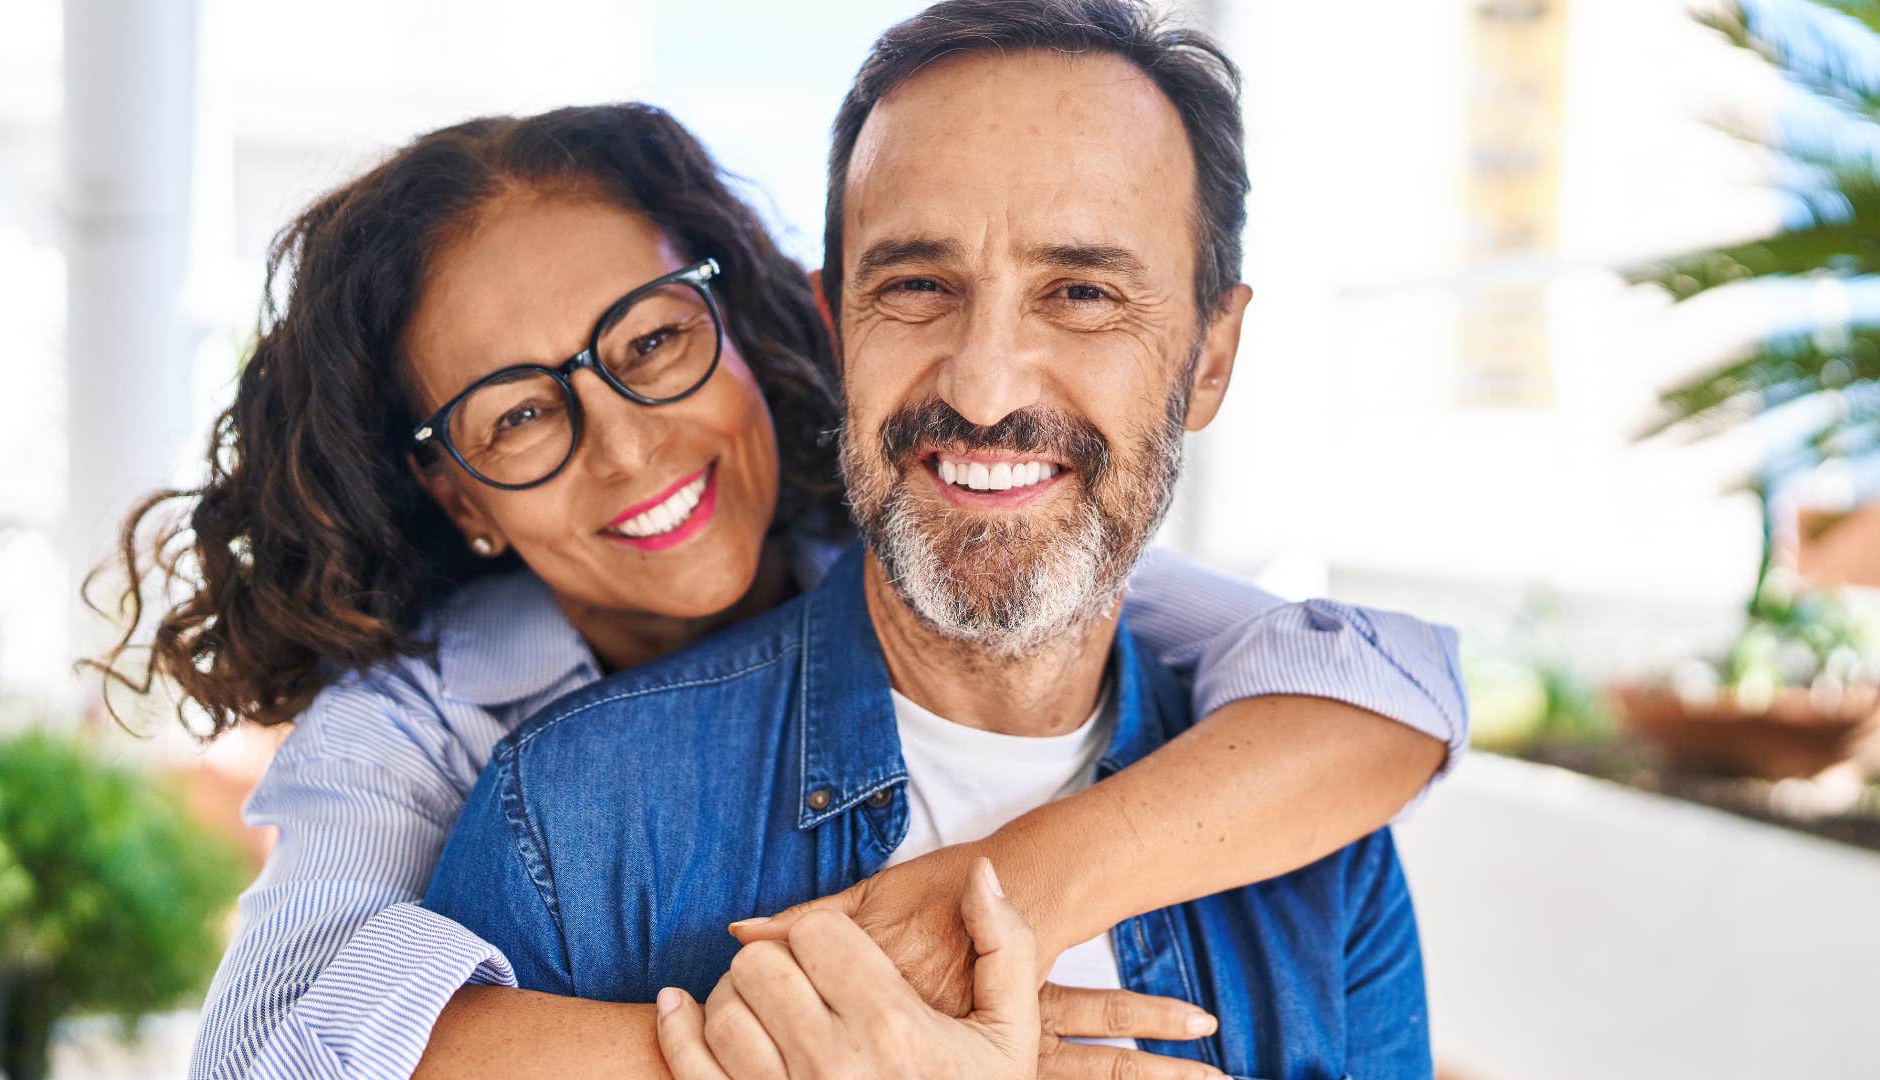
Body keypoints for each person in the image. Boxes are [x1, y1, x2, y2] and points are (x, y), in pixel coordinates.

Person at [95, 30, 1461, 1080]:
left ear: (749, 326)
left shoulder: (970, 532)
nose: (625, 446)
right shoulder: (486, 768)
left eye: (649, 345)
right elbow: (277, 1043)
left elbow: (1380, 692)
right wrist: (800, 1043)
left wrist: (1008, 896)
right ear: (457, 491)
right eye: (517, 415)